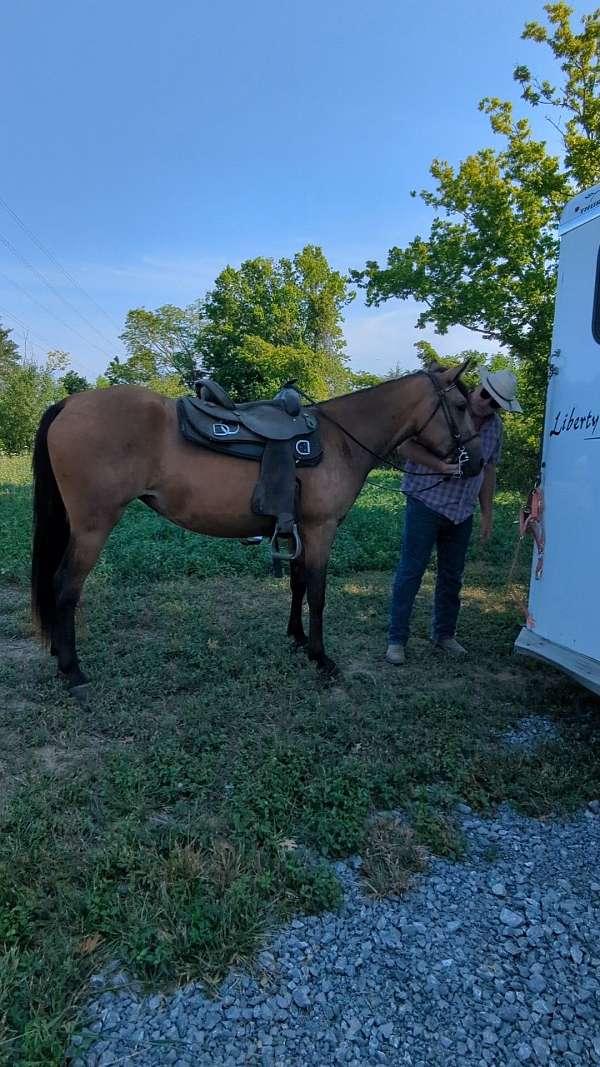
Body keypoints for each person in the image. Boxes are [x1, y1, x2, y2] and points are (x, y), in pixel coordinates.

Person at [385, 367, 522, 665]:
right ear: (476, 388)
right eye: (486, 395)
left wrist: (487, 513)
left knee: (452, 577)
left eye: (496, 403)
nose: (487, 404)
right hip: (426, 500)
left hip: (462, 511)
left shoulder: (495, 428)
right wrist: (438, 465)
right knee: (411, 571)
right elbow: (404, 445)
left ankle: (444, 635)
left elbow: (488, 470)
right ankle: (396, 639)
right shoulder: (441, 407)